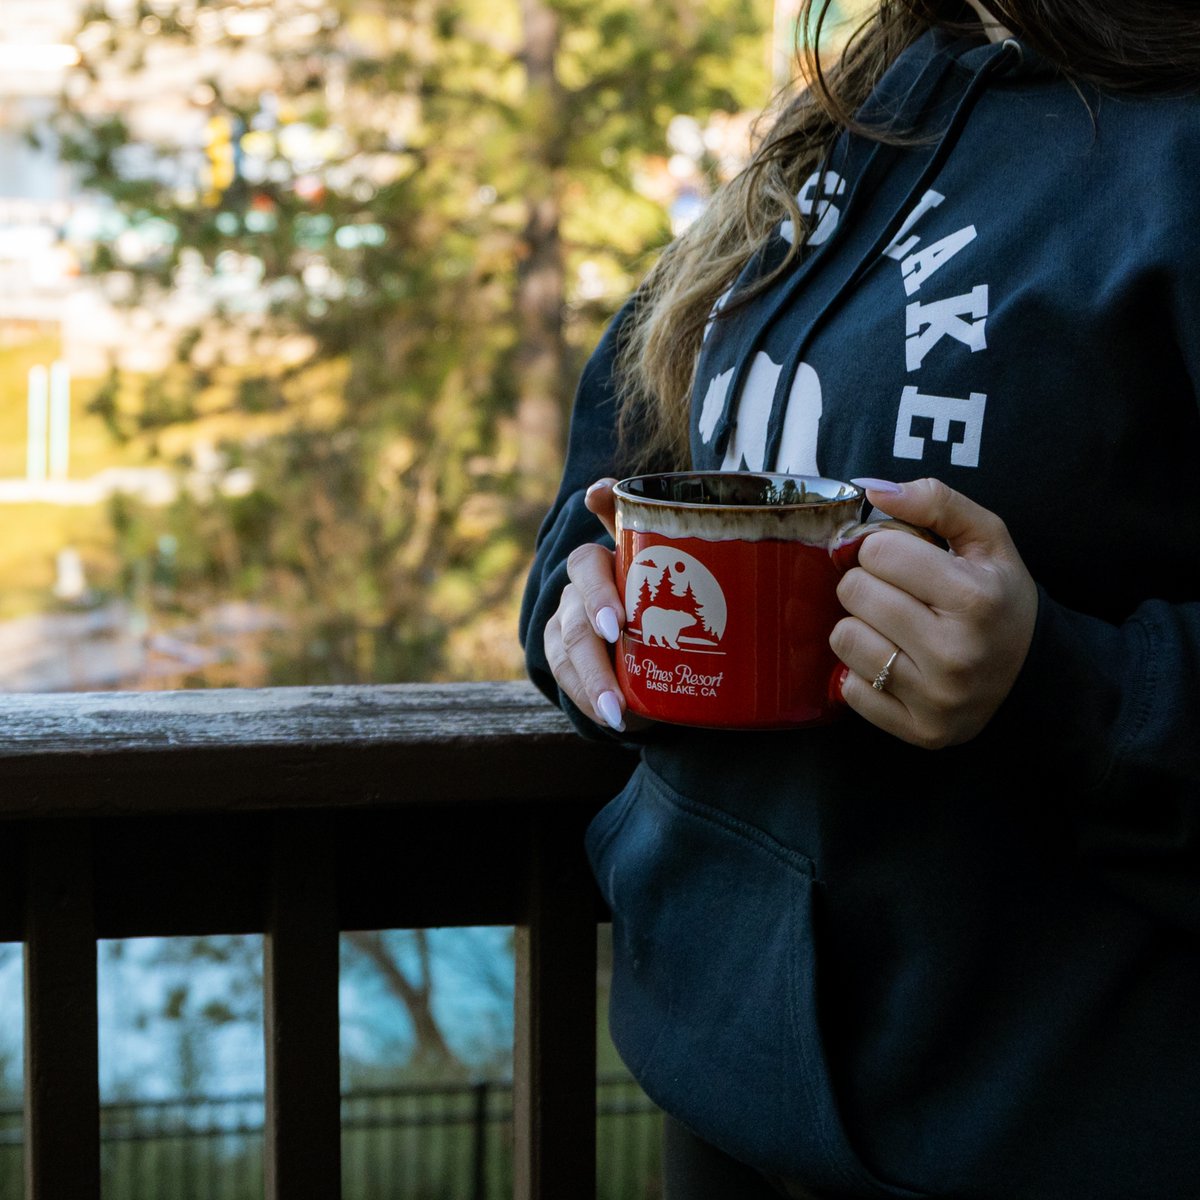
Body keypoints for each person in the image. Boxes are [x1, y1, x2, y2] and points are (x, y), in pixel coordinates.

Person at [519, 1, 1200, 1196]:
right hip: (716, 1082)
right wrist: (575, 615)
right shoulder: (853, 110)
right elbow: (614, 478)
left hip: (1052, 1121)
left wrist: (1062, 682)